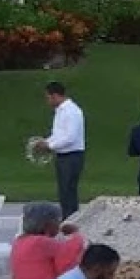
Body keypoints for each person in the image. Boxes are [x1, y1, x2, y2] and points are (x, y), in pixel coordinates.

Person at [40, 81, 86, 219]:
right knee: (64, 192)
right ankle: (68, 219)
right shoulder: (60, 111)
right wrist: (46, 142)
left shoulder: (71, 111)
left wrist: (50, 146)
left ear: (55, 96)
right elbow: (58, 134)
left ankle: (71, 220)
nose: (47, 101)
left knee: (68, 191)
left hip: (71, 156)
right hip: (62, 155)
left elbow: (70, 137)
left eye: (48, 97)